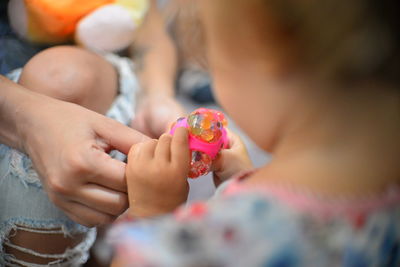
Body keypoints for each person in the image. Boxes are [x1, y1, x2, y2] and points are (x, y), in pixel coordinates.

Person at [108, 0, 400, 266]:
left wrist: (151, 212)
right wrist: (242, 181)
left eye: (210, 51)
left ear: (267, 39)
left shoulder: (211, 242)